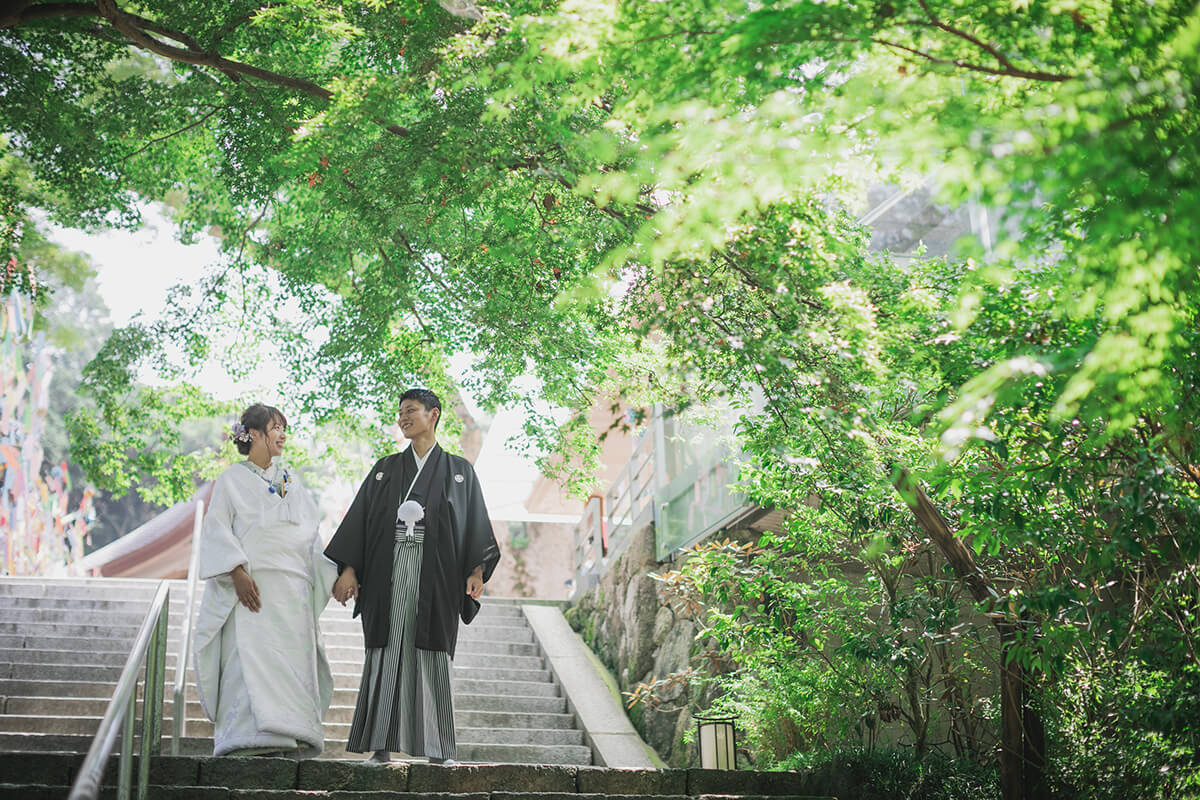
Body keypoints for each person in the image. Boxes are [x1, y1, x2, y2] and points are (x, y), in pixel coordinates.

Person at [324, 388, 501, 764]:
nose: (403, 417)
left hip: (435, 578)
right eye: (400, 412)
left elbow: (474, 524)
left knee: (432, 654)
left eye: (411, 411)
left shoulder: (459, 471)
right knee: (386, 653)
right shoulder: (385, 469)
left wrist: (476, 570)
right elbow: (360, 521)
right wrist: (349, 569)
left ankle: (437, 749)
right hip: (387, 576)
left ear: (433, 414)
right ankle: (381, 745)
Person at [192, 403, 336, 757]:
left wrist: (334, 574)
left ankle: (292, 732)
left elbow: (310, 533)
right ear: (253, 434)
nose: (282, 435)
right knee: (247, 658)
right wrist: (237, 571)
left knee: (290, 658)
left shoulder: (288, 478)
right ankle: (244, 736)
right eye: (275, 428)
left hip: (291, 589)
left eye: (284, 428)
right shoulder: (230, 479)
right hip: (251, 585)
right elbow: (217, 527)